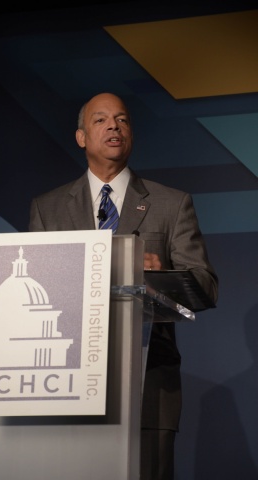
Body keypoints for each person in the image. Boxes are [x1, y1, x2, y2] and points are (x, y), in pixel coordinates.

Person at [28, 92, 218, 479]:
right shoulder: (47, 208)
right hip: (67, 383)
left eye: (123, 119)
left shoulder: (171, 203)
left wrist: (158, 275)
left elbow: (204, 286)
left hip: (148, 382)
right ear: (81, 137)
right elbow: (38, 288)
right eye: (100, 120)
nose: (114, 126)